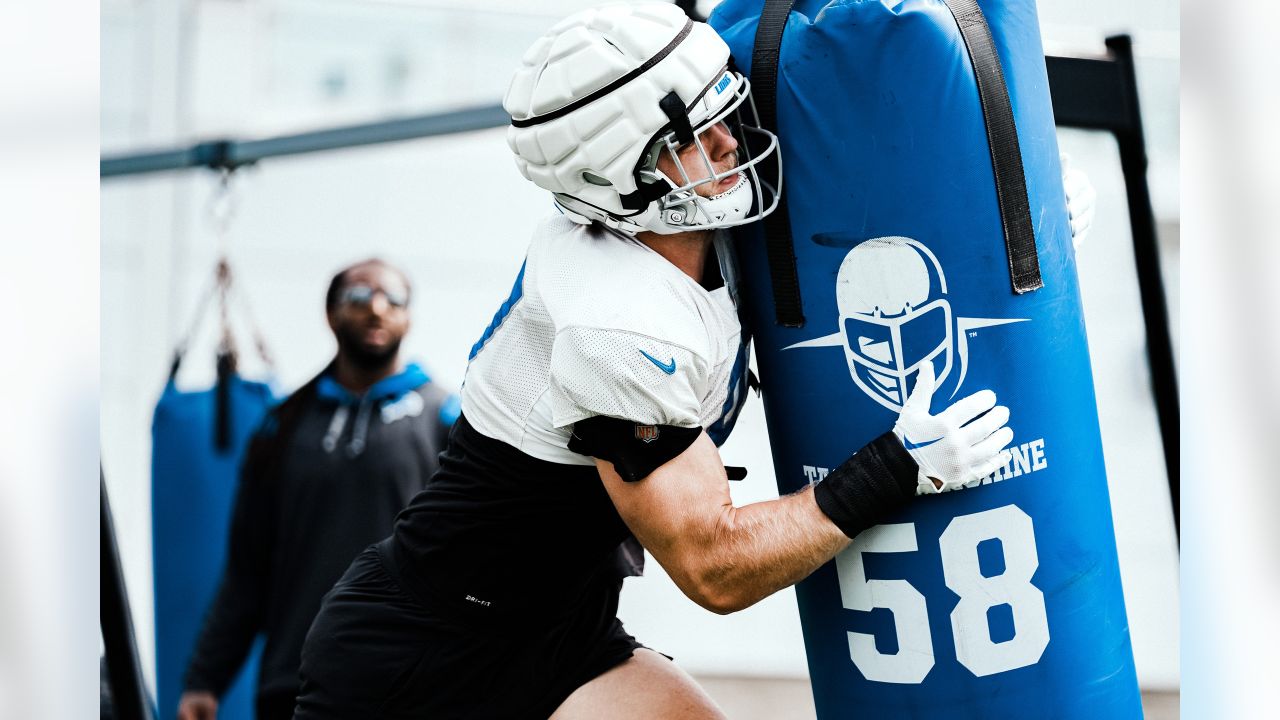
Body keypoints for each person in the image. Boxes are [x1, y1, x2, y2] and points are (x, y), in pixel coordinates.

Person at [294, 5, 1095, 718]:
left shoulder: (696, 216)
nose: (729, 142)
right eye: (691, 140)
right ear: (621, 182)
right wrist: (892, 469)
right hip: (416, 659)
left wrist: (1007, 232)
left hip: (556, 629)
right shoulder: (619, 320)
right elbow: (716, 569)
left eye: (725, 112)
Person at [176, 259, 458, 720]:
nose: (377, 309)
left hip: (407, 681)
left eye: (394, 300)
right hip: (296, 679)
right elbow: (248, 568)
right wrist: (205, 679)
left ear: (409, 318)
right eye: (360, 296)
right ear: (331, 314)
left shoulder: (444, 419)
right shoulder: (281, 427)